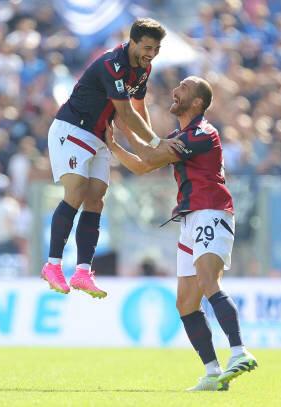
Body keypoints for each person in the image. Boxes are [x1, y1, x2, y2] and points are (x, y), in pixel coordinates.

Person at [105, 76, 258, 391]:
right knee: (186, 303)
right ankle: (213, 372)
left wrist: (125, 126)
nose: (176, 91)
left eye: (184, 88)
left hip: (211, 211)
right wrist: (113, 144)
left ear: (198, 102)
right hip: (190, 218)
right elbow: (142, 165)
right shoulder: (180, 136)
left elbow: (149, 155)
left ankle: (240, 352)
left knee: (207, 281)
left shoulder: (203, 133)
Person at [41, 18, 180, 298]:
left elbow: (138, 107)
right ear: (133, 41)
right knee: (77, 190)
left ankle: (82, 272)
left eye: (156, 49)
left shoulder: (143, 68)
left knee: (96, 198)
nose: (151, 54)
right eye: (147, 47)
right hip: (72, 128)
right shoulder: (111, 65)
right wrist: (154, 143)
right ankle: (53, 265)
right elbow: (126, 113)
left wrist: (149, 143)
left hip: (101, 135)